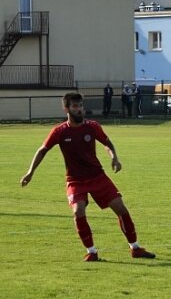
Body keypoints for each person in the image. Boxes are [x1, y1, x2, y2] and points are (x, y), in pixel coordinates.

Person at [19, 92, 155, 261]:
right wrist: (30, 172)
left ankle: (135, 248)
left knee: (121, 209)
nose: (80, 109)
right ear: (66, 109)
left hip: (98, 177)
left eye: (81, 106)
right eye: (75, 106)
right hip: (75, 181)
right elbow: (42, 150)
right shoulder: (59, 131)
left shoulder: (92, 126)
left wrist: (114, 157)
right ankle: (92, 252)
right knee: (78, 211)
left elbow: (107, 143)